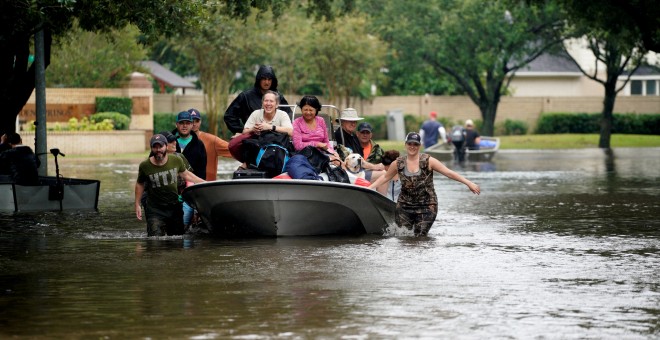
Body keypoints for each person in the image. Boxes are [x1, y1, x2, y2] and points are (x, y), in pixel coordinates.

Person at [368, 132, 480, 236]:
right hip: (404, 206)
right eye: (410, 143)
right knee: (402, 237)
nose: (412, 146)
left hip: (427, 206)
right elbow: (385, 177)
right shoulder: (397, 163)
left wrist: (468, 183)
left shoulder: (428, 161)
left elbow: (448, 173)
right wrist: (369, 188)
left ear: (419, 145)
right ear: (405, 145)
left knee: (420, 237)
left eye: (415, 144)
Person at [135, 134, 205, 236]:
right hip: (155, 210)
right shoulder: (145, 166)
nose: (158, 150)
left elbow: (187, 175)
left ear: (166, 146)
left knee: (176, 240)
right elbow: (140, 184)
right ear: (151, 148)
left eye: (161, 146)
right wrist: (137, 204)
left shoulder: (176, 160)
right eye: (155, 147)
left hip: (174, 207)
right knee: (155, 241)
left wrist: (204, 183)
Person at [228, 90, 294, 168]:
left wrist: (270, 127)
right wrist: (253, 129)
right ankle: (247, 163)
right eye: (266, 101)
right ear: (262, 103)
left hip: (276, 148)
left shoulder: (282, 114)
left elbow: (291, 132)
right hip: (258, 145)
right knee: (242, 141)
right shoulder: (256, 113)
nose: (268, 104)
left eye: (271, 101)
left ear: (276, 105)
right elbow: (245, 131)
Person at [224, 65, 292, 135]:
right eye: (264, 79)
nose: (267, 82)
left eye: (269, 79)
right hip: (253, 138)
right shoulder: (245, 96)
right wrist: (241, 131)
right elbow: (229, 116)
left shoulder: (278, 96)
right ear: (259, 80)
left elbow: (289, 116)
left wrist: (274, 128)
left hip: (277, 139)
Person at [187, 108, 232, 181]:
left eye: (197, 121)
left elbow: (234, 150)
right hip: (186, 186)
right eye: (191, 121)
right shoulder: (177, 142)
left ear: (200, 122)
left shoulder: (212, 140)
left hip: (207, 185)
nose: (194, 124)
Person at [172, 111, 207, 180]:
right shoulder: (167, 141)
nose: (184, 126)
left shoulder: (199, 145)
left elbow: (202, 171)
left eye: (187, 123)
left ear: (191, 125)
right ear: (176, 124)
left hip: (191, 186)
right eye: (181, 123)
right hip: (171, 186)